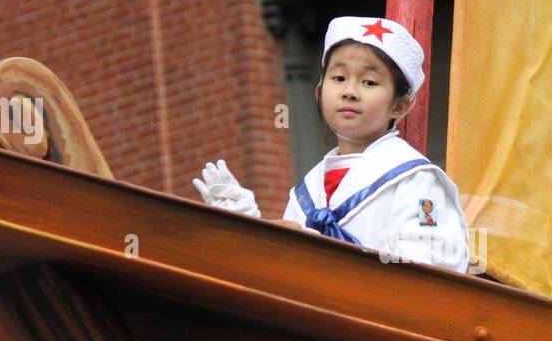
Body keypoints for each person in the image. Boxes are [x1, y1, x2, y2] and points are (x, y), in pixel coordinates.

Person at [193, 16, 469, 273]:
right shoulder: (306, 193)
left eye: (369, 82)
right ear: (319, 92)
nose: (349, 91)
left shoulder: (417, 180)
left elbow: (429, 278)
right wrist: (246, 235)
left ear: (400, 105)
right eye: (338, 78)